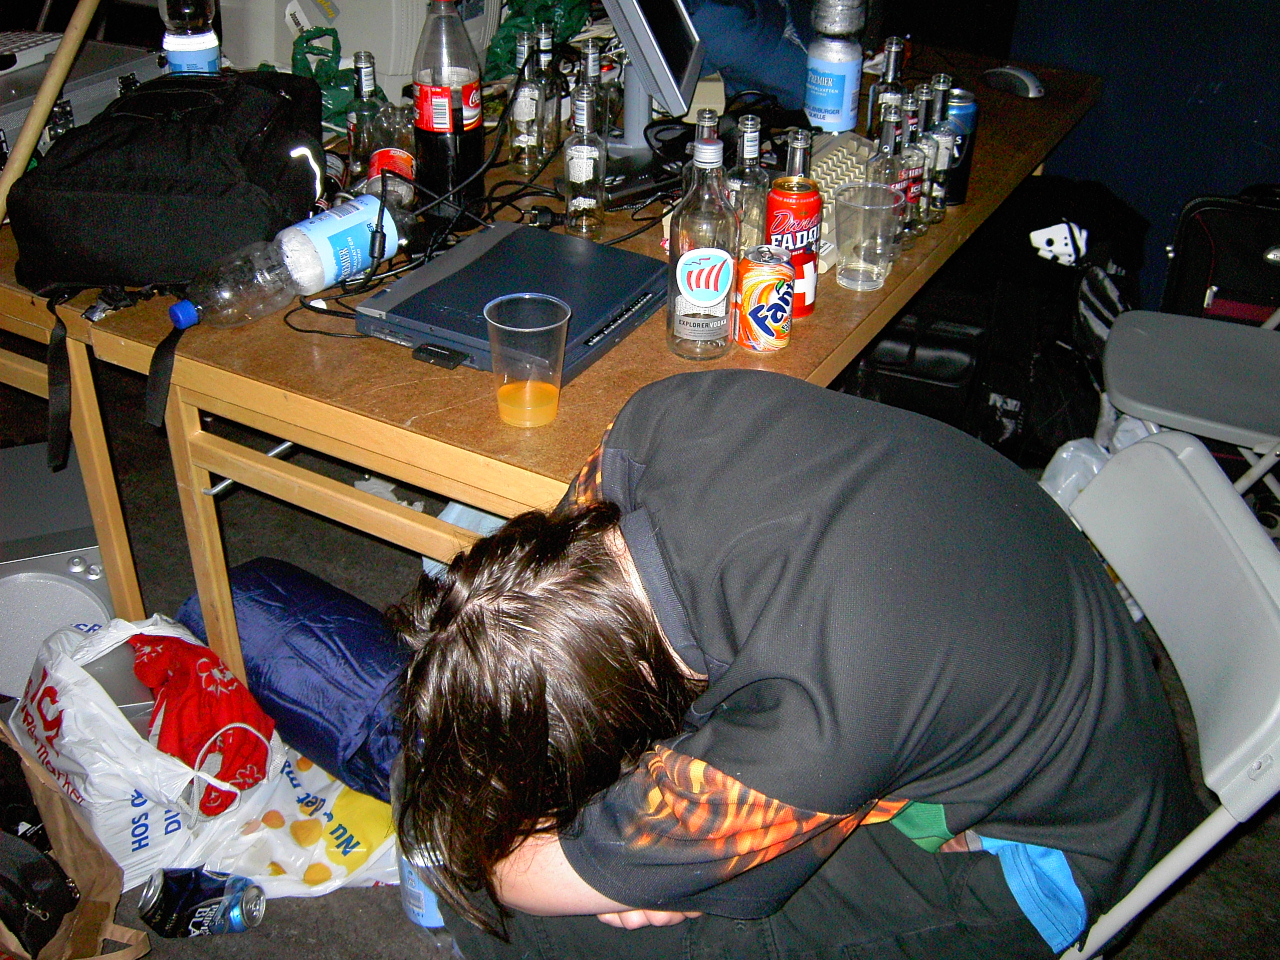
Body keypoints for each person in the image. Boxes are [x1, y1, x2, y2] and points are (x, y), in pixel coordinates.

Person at [390, 370, 1200, 960]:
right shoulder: (652, 427)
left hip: (1047, 845)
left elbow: (513, 876)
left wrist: (638, 867)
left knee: (524, 914)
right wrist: (655, 858)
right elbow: (526, 624)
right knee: (455, 766)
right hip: (996, 642)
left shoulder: (811, 722)